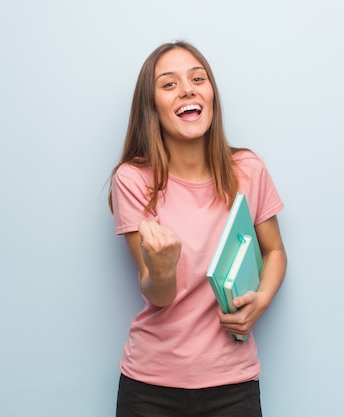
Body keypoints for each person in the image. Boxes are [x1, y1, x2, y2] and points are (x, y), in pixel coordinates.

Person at [108, 40, 287, 417]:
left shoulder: (248, 170)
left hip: (232, 385)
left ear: (211, 95)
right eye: (168, 84)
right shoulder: (133, 179)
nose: (187, 89)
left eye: (197, 79)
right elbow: (159, 295)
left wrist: (262, 301)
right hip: (150, 389)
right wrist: (160, 269)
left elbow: (274, 251)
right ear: (151, 106)